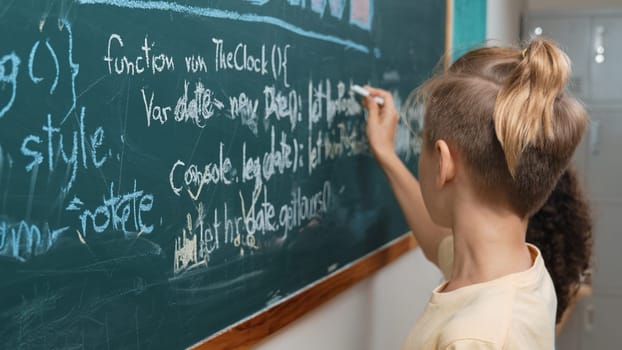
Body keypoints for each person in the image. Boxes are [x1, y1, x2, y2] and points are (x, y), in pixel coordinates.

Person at [361, 38, 592, 349]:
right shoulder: (520, 270)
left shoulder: (474, 339)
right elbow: (437, 244)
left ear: (443, 163)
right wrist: (386, 155)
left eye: (422, 144)